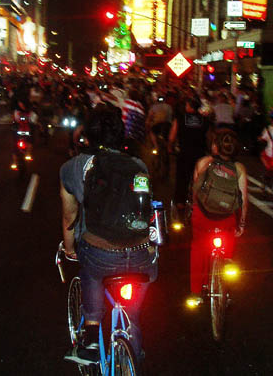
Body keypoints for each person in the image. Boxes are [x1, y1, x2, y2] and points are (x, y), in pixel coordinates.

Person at [60, 104, 158, 367]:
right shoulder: (138, 165)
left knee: (90, 271)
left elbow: (69, 217)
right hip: (141, 255)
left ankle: (91, 339)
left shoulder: (72, 167)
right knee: (132, 316)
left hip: (100, 254)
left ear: (88, 134)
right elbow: (147, 208)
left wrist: (69, 248)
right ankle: (133, 354)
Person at [188, 129, 248, 305]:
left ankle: (196, 292)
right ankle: (224, 286)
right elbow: (243, 200)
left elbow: (195, 192)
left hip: (203, 216)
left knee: (198, 248)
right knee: (227, 247)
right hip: (226, 218)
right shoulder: (239, 169)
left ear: (215, 147)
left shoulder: (203, 163)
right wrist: (241, 224)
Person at [168, 97, 210, 215]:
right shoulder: (204, 120)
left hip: (185, 153)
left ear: (190, 107)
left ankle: (180, 202)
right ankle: (198, 201)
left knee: (182, 178)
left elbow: (172, 136)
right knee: (200, 179)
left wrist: (170, 146)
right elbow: (209, 137)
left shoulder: (180, 118)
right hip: (200, 154)